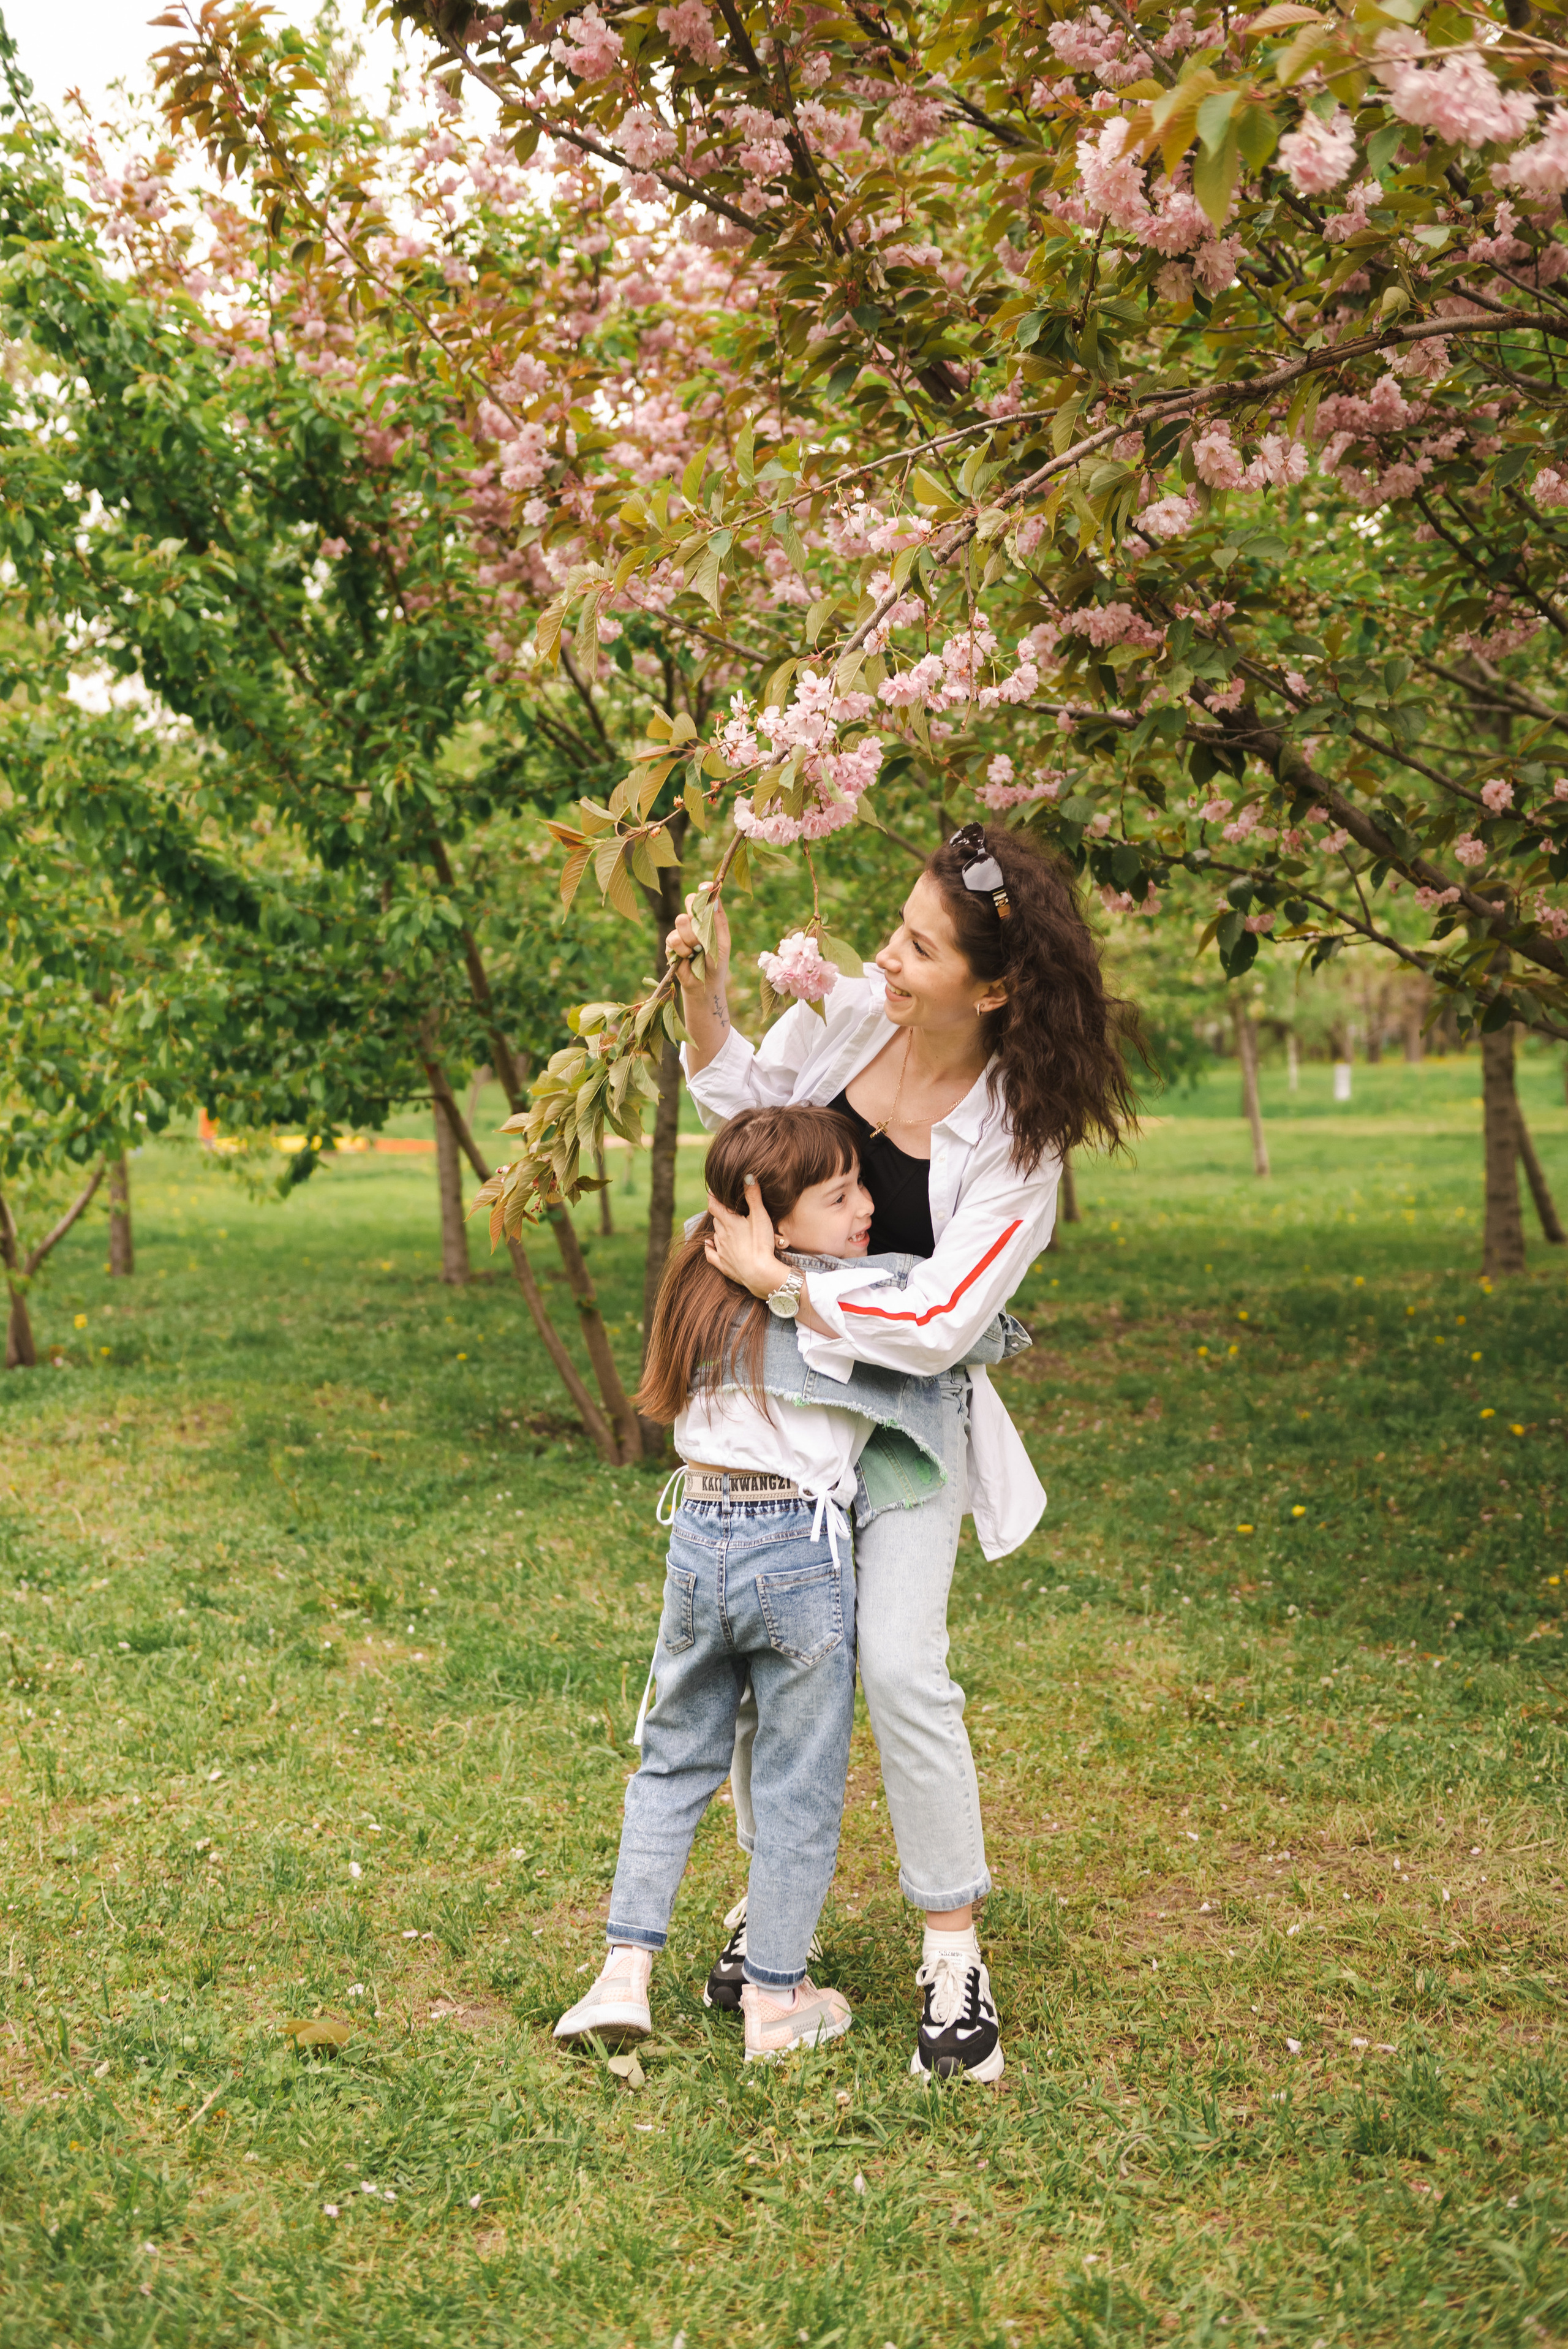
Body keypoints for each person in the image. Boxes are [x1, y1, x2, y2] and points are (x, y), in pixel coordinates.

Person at [668, 822, 1136, 2082]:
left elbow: (939, 1325)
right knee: (782, 1662)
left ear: (991, 989)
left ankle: (950, 1949)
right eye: (895, 927)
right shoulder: (851, 1025)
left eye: (918, 947)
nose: (887, 956)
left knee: (899, 1665)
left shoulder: (1018, 1141)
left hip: (907, 1429)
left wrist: (781, 1287)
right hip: (792, 1414)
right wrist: (707, 1004)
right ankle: (773, 1921)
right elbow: (748, 1116)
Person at [554, 1106, 881, 2065]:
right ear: (765, 1217)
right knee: (798, 1784)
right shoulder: (837, 1291)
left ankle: (623, 1973)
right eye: (840, 1194)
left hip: (701, 1530)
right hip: (798, 1548)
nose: (867, 1206)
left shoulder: (694, 1285)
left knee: (673, 1759)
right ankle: (776, 2001)